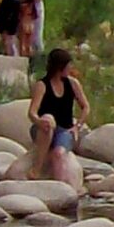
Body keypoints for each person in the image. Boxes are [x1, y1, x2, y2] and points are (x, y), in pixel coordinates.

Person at [29, 47, 88, 184]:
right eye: (68, 65)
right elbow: (32, 112)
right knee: (48, 120)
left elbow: (85, 107)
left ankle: (60, 186)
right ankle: (37, 168)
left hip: (64, 129)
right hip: (44, 128)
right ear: (60, 67)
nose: (71, 68)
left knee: (59, 153)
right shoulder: (42, 85)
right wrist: (38, 121)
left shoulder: (72, 84)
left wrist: (77, 126)